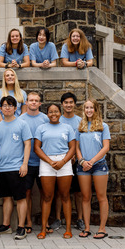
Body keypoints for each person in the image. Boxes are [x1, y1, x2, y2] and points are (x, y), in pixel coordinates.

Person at [34, 103, 75, 240]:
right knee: (47, 196)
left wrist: (63, 162)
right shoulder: (41, 128)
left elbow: (72, 148)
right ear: (47, 114)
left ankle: (68, 229)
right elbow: (37, 148)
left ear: (60, 112)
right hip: (47, 163)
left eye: (56, 111)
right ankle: (43, 229)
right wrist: (50, 162)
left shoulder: (67, 127)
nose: (53, 114)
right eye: (50, 112)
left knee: (65, 196)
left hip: (64, 162)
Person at [0, 96, 31, 240]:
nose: (7, 108)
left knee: (20, 198)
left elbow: (27, 144)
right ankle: (6, 225)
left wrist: (24, 164)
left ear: (15, 108)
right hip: (2, 168)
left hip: (17, 167)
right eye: (4, 105)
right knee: (6, 198)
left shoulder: (22, 124)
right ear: (0, 109)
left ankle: (21, 227)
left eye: (10, 105)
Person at [76, 99, 110, 239]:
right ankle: (87, 228)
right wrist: (83, 161)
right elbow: (77, 148)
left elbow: (106, 147)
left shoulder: (103, 126)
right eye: (86, 108)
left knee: (101, 197)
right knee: (85, 197)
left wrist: (92, 161)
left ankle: (102, 228)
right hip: (83, 166)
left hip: (98, 165)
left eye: (91, 108)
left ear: (96, 109)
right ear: (84, 110)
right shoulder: (81, 126)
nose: (89, 110)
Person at [50, 92, 84, 232]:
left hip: (77, 161)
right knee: (59, 192)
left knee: (78, 191)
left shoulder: (80, 121)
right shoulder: (58, 119)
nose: (68, 105)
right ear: (62, 105)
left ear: (74, 104)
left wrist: (77, 156)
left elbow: (82, 141)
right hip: (62, 161)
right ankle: (58, 219)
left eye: (71, 102)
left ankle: (80, 219)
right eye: (66, 103)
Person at [18, 92, 49, 234]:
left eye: (36, 101)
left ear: (40, 103)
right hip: (27, 162)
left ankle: (45, 222)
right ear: (26, 102)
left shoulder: (45, 119)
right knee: (27, 193)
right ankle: (28, 222)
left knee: (45, 193)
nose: (34, 103)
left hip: (43, 163)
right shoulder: (21, 119)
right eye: (31, 100)